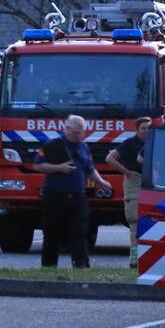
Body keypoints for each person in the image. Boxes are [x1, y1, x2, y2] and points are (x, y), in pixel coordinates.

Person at [33, 114, 112, 268]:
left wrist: (101, 182)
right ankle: (49, 266)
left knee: (80, 231)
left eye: (81, 132)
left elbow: (89, 169)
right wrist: (59, 168)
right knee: (52, 233)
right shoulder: (53, 145)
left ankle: (81, 265)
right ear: (67, 128)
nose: (78, 136)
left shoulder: (83, 147)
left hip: (77, 197)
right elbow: (38, 166)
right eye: (75, 132)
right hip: (55, 197)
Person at [106, 117, 151, 268]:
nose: (146, 131)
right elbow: (110, 159)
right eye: (143, 128)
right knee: (135, 222)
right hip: (134, 183)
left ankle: (149, 258)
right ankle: (134, 258)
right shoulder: (129, 143)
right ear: (137, 130)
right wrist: (127, 172)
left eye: (148, 128)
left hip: (152, 184)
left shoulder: (154, 142)